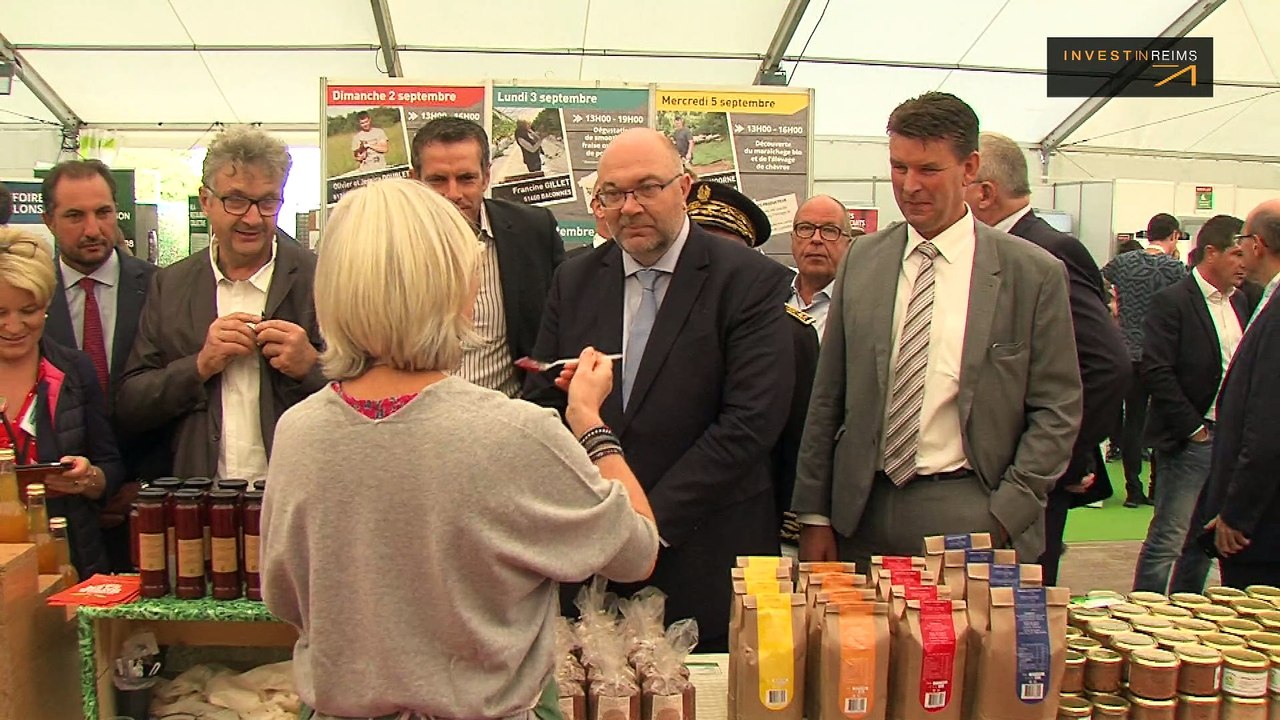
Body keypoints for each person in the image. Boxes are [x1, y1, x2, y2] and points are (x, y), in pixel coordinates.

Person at [261, 179, 658, 720]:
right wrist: (589, 422)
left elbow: (284, 598)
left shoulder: (299, 431)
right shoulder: (513, 431)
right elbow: (637, 551)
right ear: (455, 287)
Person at [524, 128, 793, 651]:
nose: (630, 207)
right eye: (613, 194)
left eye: (648, 188)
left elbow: (750, 422)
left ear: (685, 187)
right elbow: (544, 404)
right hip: (591, 561)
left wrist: (642, 526)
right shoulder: (573, 280)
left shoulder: (748, 280)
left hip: (704, 552)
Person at [792, 92, 1082, 568]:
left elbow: (1058, 407)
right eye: (898, 167)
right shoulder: (863, 260)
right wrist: (816, 515)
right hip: (860, 513)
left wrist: (1009, 510)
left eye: (928, 170)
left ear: (969, 168)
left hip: (970, 507)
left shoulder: (1031, 273)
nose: (909, 186)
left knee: (964, 645)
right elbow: (828, 395)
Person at [964, 131, 1130, 584]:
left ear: (983, 192)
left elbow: (1106, 365)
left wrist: (1058, 457)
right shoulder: (982, 251)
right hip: (990, 480)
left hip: (1027, 482)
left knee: (1019, 621)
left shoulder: (1048, 251)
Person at [117, 127, 325, 481]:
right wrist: (199, 365)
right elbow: (131, 406)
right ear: (205, 200)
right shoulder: (171, 285)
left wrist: (312, 366)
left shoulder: (321, 278)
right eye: (236, 200)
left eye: (268, 202)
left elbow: (371, 391)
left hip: (298, 497)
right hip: (203, 503)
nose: (252, 218)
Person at [39, 159, 159, 571]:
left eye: (103, 212)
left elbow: (179, 396)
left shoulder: (161, 289)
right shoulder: (29, 303)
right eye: (75, 216)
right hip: (59, 518)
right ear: (49, 220)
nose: (93, 229)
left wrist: (143, 486)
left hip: (150, 506)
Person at [686, 179, 818, 550]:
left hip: (744, 531)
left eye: (723, 251)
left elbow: (800, 444)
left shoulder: (791, 333)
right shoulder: (641, 324)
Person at [0, 227, 125, 578]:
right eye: (0, 313)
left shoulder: (73, 368)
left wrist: (89, 479)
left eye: (29, 310)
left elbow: (110, 467)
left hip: (68, 558)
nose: (14, 326)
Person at [1134, 215, 1249, 594]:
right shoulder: (1174, 301)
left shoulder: (1244, 302)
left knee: (1204, 541)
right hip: (1190, 439)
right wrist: (1194, 429)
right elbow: (1157, 370)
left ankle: (1187, 612)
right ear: (1211, 252)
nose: (1243, 262)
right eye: (1235, 254)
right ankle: (1146, 613)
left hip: (1230, 440)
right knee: (1168, 538)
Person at [410, 117, 565, 398]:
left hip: (508, 425)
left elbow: (558, 331)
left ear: (486, 177)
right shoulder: (385, 248)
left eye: (466, 178)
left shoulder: (532, 232)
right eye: (437, 180)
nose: (452, 194)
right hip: (412, 429)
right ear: (414, 180)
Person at [1193, 200, 1280, 587]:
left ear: (1257, 244)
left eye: (1243, 239)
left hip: (1262, 525)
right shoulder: (1264, 298)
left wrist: (1237, 512)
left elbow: (1266, 427)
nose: (1240, 248)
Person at [1103, 214, 1188, 507]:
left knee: (1133, 422)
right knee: (1160, 421)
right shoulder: (1176, 269)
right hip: (1161, 354)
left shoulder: (1121, 264)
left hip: (1127, 351)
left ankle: (1132, 489)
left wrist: (1115, 309)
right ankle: (1156, 487)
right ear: (1174, 236)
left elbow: (1097, 281)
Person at [788, 195, 857, 341]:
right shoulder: (768, 296)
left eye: (829, 230)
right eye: (805, 228)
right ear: (793, 239)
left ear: (848, 245)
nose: (816, 239)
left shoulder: (863, 308)